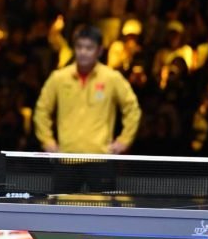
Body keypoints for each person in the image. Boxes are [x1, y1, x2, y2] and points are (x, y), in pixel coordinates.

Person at [33, 24, 142, 155]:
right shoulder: (59, 78)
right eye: (79, 47)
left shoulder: (112, 78)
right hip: (66, 157)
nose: (83, 52)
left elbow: (132, 109)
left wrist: (124, 140)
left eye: (89, 48)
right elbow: (42, 110)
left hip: (100, 158)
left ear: (100, 50)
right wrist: (47, 141)